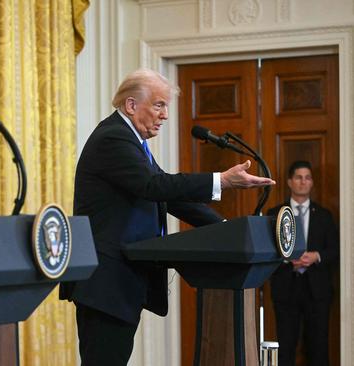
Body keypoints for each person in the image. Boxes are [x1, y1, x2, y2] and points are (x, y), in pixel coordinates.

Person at [59, 68, 276, 365]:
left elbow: (167, 195)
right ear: (132, 105)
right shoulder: (113, 138)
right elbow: (155, 186)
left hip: (119, 281)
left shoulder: (132, 142)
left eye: (166, 107)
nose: (165, 115)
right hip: (106, 282)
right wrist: (220, 181)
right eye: (159, 105)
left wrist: (228, 229)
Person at [266, 161, 339, 366]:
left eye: (307, 177)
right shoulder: (275, 213)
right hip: (286, 288)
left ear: (312, 182)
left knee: (318, 348)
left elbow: (335, 251)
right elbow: (268, 251)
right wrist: (288, 260)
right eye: (299, 177)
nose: (303, 182)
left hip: (317, 290)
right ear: (290, 182)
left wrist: (316, 256)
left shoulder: (324, 215)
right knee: (285, 348)